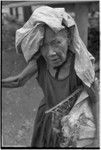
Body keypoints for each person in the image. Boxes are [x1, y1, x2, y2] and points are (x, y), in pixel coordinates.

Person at [2, 6, 99, 148]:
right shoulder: (40, 62)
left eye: (57, 43)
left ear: (69, 38)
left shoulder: (80, 66)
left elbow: (95, 100)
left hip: (71, 124)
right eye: (44, 45)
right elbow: (18, 80)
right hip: (46, 121)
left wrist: (98, 138)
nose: (51, 53)